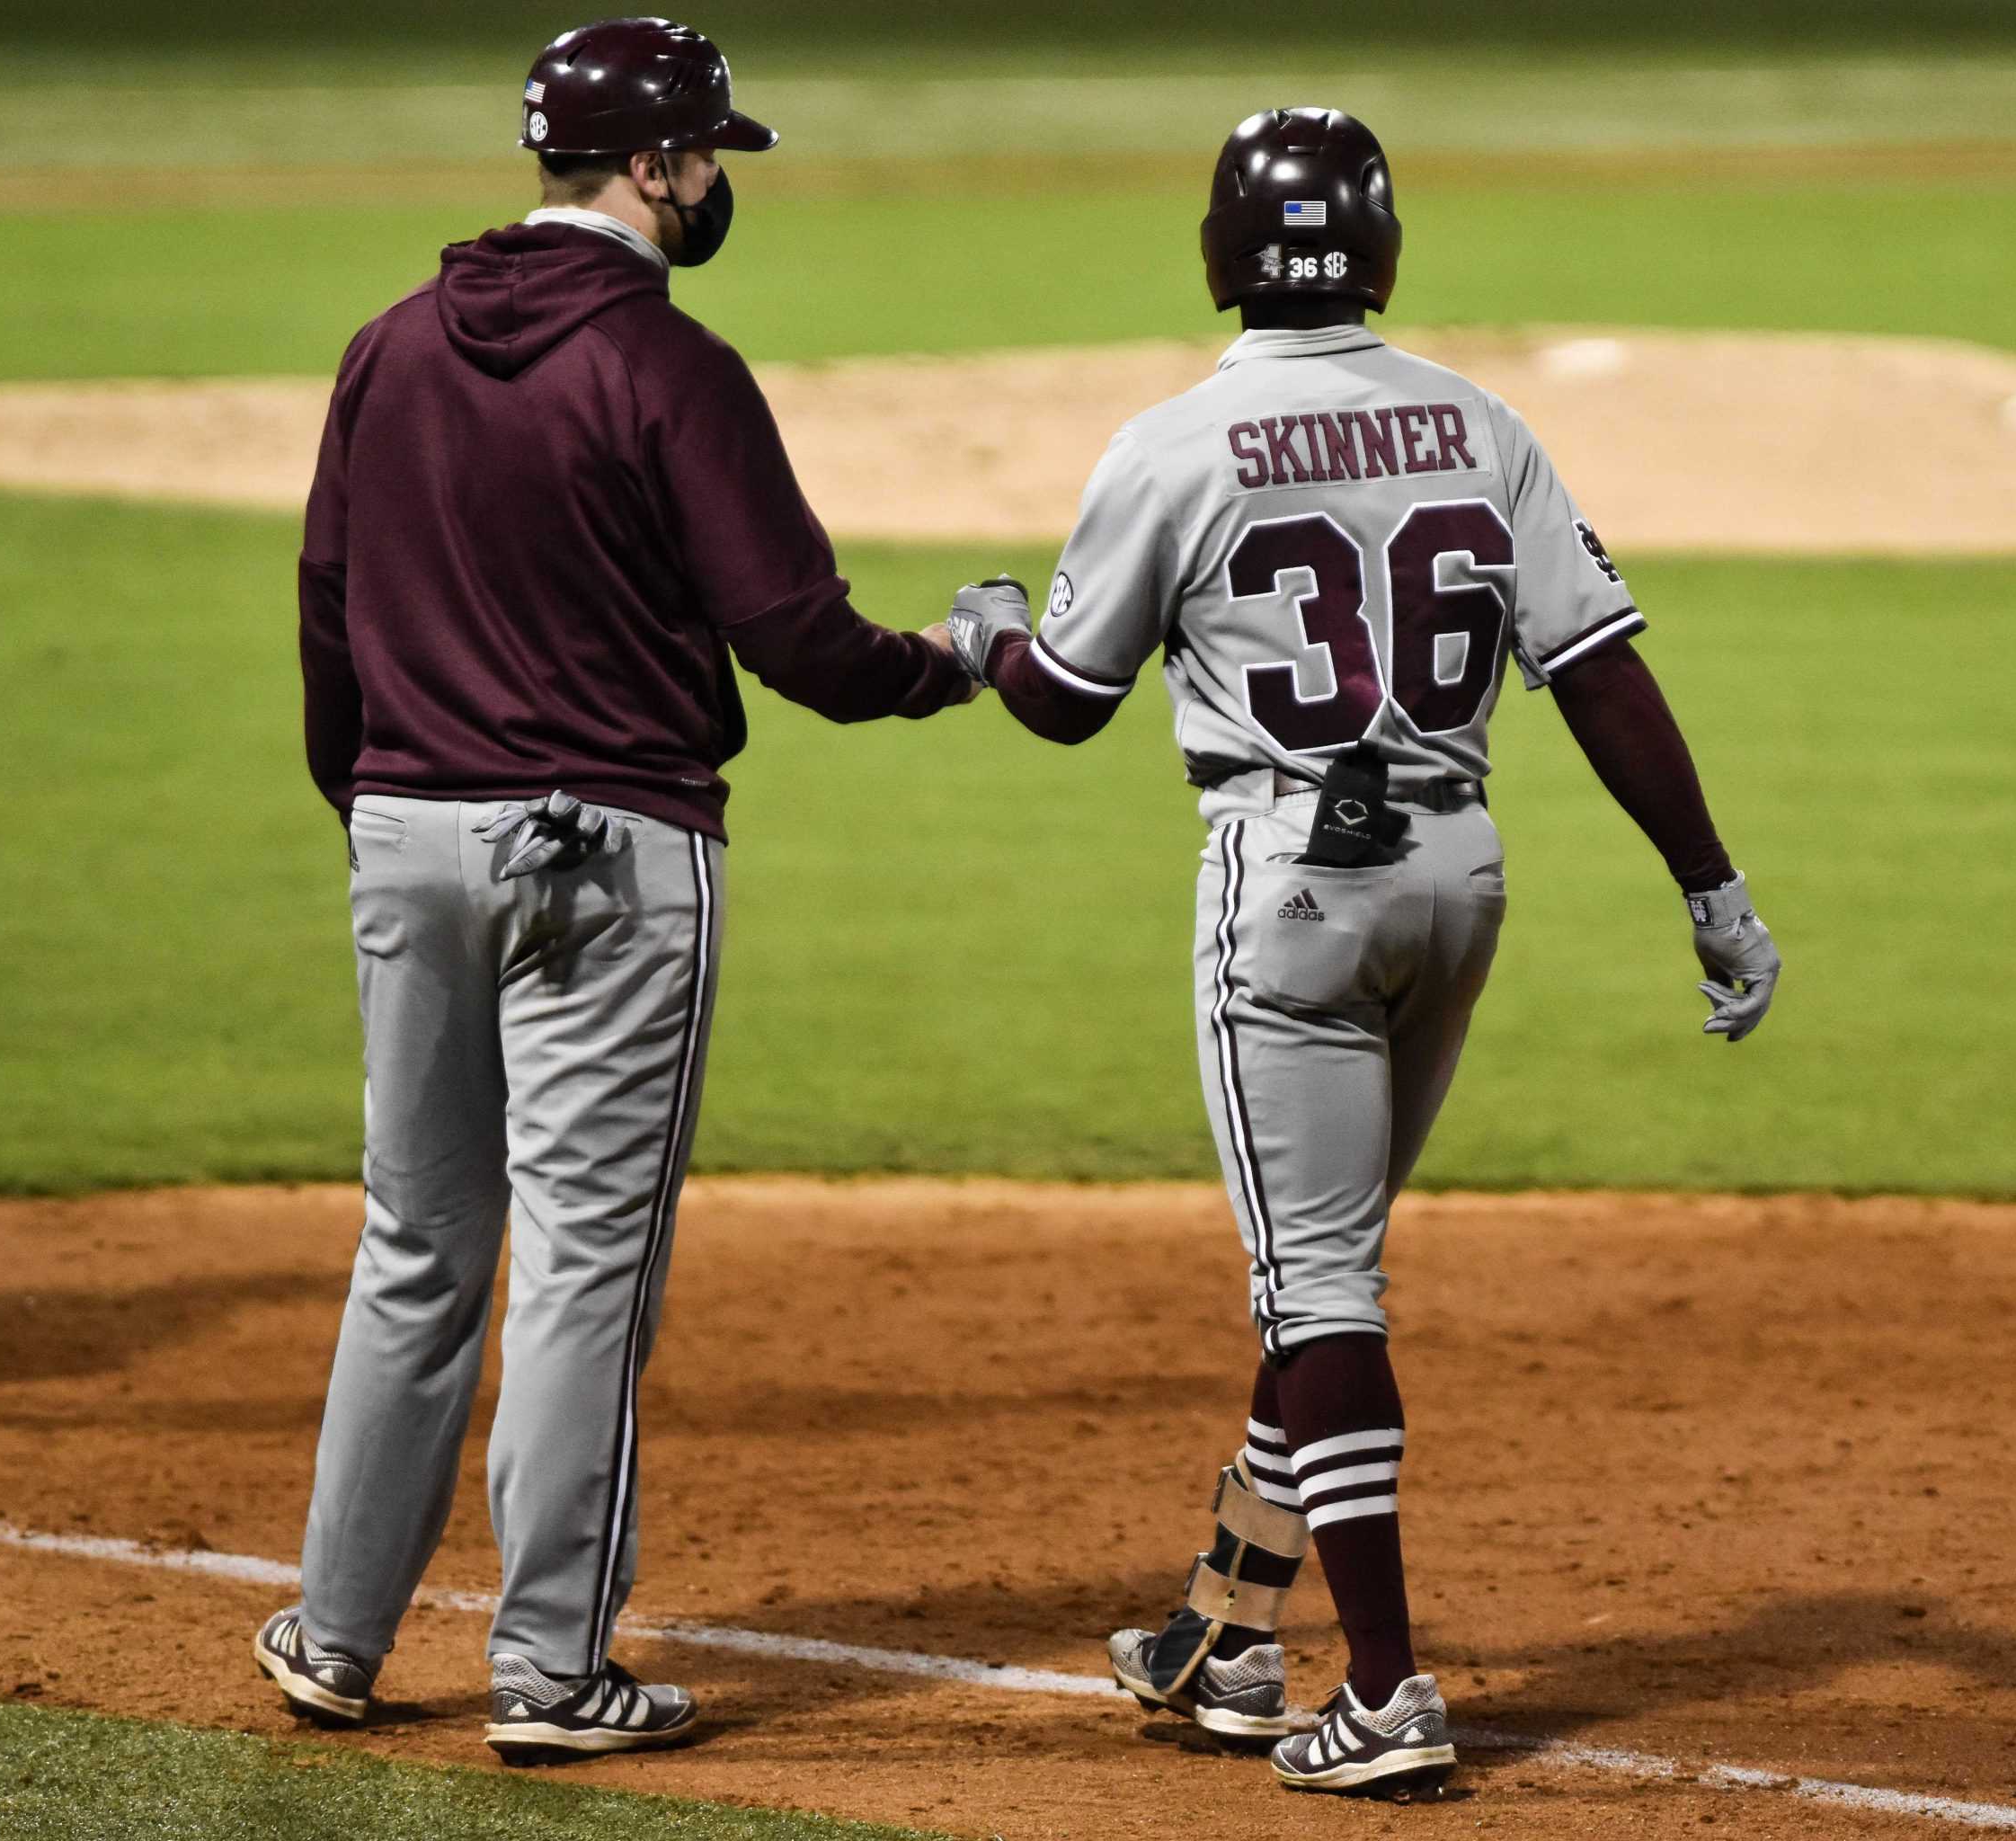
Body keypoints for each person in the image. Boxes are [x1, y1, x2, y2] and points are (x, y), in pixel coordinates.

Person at [941, 108, 1781, 1798]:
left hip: (1291, 893)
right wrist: (1710, 886)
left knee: (1316, 1283)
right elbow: (1600, 671)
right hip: (1460, 884)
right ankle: (1227, 1632)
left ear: (1217, 257)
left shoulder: (1175, 442)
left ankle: (1385, 1687)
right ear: (1382, 253)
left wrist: (989, 632)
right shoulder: (1481, 424)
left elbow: (1068, 702)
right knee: (1322, 1262)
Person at [254, 17, 973, 1764]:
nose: (718, 179)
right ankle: (554, 1671)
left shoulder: (389, 345)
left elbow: (325, 594)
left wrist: (376, 804)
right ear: (650, 167)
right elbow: (795, 636)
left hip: (407, 838)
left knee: (415, 1245)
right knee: (583, 1265)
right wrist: (955, 659)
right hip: (608, 855)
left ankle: (337, 1636)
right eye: (708, 152)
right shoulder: (666, 365)